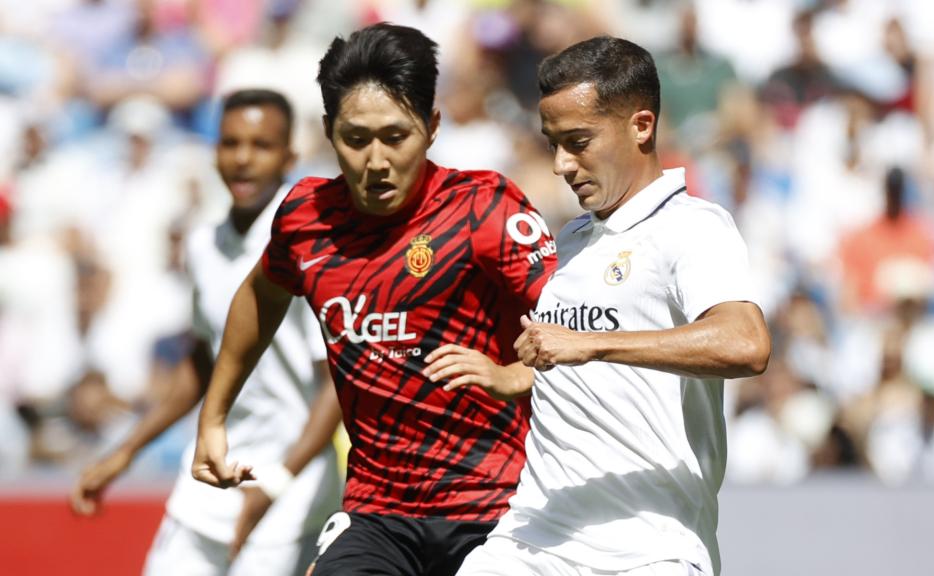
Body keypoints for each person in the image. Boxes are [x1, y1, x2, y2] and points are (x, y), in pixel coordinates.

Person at [190, 23, 558, 576]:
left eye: (396, 136)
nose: (376, 160)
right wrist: (212, 419)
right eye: (356, 139)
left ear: (432, 128)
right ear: (327, 132)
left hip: (499, 505)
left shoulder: (487, 209)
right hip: (379, 513)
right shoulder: (305, 217)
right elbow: (260, 294)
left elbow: (584, 332)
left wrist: (515, 376)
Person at [433, 36, 771, 576]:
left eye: (579, 141)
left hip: (650, 545)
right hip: (534, 536)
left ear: (641, 126)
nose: (562, 165)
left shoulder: (693, 227)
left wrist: (589, 345)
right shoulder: (572, 239)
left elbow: (746, 344)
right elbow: (579, 366)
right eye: (553, 144)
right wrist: (511, 376)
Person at [70, 89, 343, 576]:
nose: (242, 159)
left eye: (260, 145)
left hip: (286, 493)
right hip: (205, 484)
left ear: (290, 156)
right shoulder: (203, 244)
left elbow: (337, 385)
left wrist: (275, 486)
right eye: (230, 143)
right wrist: (124, 453)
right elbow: (203, 364)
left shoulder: (309, 245)